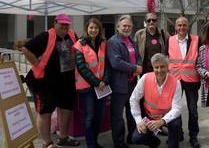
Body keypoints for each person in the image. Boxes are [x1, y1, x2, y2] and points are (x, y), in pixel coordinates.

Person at [22, 13, 80, 148]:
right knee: (45, 111)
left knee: (66, 109)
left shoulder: (72, 35)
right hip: (45, 81)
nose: (65, 26)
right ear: (55, 23)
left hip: (66, 80)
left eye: (67, 24)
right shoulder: (46, 36)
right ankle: (46, 142)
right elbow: (25, 49)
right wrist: (37, 63)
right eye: (62, 24)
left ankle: (63, 138)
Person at [130, 53, 182, 148]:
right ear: (153, 68)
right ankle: (154, 142)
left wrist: (162, 121)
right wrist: (139, 121)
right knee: (136, 138)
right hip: (150, 116)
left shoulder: (176, 83)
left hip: (168, 116)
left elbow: (177, 109)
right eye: (156, 67)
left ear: (167, 67)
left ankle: (172, 144)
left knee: (175, 125)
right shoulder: (145, 78)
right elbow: (133, 99)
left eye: (162, 67)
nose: (159, 70)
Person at [106, 14, 143, 148]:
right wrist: (135, 68)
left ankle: (131, 137)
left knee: (131, 112)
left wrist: (137, 66)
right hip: (119, 84)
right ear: (118, 27)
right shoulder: (113, 42)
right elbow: (116, 62)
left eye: (129, 26)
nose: (127, 28)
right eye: (124, 26)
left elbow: (138, 57)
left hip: (132, 83)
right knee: (117, 115)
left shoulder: (132, 41)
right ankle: (118, 141)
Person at [74, 17, 110, 148]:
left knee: (99, 116)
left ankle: (94, 142)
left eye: (96, 28)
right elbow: (81, 67)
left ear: (99, 30)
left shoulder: (103, 43)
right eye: (91, 28)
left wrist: (105, 80)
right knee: (89, 117)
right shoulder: (80, 45)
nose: (93, 30)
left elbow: (107, 64)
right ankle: (91, 145)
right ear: (86, 29)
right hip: (87, 87)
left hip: (101, 86)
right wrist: (97, 82)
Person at [166, 16, 201, 148]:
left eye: (184, 25)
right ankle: (177, 133)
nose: (181, 27)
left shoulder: (196, 40)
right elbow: (166, 58)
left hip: (192, 81)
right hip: (174, 80)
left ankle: (193, 136)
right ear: (175, 27)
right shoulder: (169, 40)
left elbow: (201, 59)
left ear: (188, 26)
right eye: (179, 25)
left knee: (193, 110)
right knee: (175, 108)